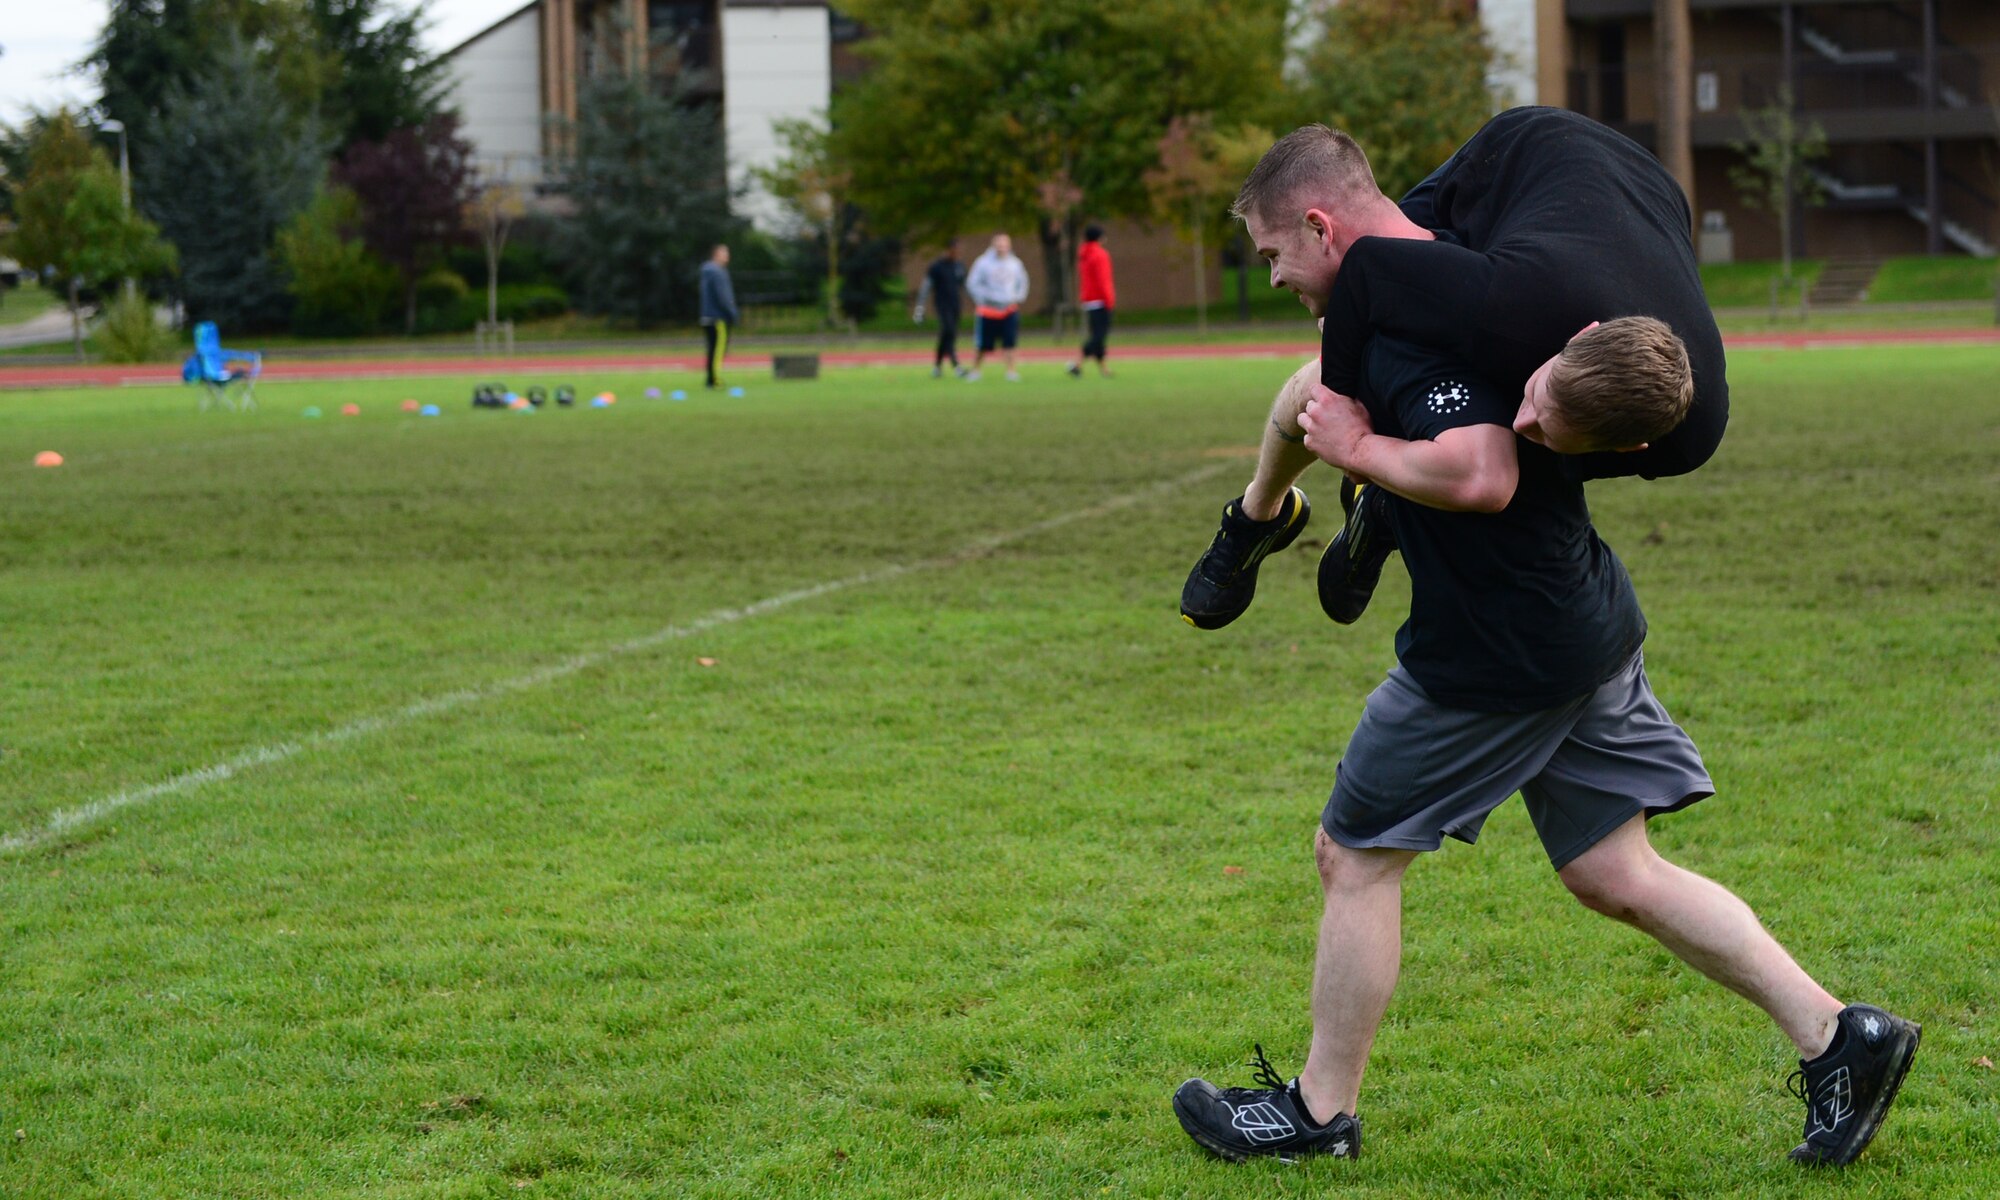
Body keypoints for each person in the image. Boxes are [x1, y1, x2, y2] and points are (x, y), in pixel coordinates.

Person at [1168, 125, 1919, 1170]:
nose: (1274, 277)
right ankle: (1842, 1037)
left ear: (1317, 225)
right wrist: (1281, 498)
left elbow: (1477, 468)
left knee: (1353, 857)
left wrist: (1354, 453)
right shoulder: (1454, 297)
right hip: (1579, 620)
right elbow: (1315, 390)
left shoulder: (1425, 327)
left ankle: (1315, 1113)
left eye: (1269, 256)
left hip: (1494, 648)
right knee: (1614, 871)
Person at [1181, 106, 1729, 632]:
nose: (1523, 423)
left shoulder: (1691, 440)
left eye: (1273, 256)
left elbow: (1491, 474)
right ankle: (1259, 515)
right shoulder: (1510, 300)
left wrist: (1366, 454)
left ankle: (1387, 507)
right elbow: (1369, 265)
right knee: (1359, 334)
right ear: (1571, 343)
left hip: (1633, 211)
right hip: (1526, 153)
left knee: (1495, 454)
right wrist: (1345, 400)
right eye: (1534, 398)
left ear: (1630, 449)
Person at [964, 232, 1029, 381]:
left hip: (1008, 308)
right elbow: (972, 283)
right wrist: (982, 298)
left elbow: (1023, 281)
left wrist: (1018, 297)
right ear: (993, 245)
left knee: (1010, 342)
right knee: (982, 344)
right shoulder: (983, 262)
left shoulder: (1015, 263)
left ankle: (1011, 371)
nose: (1002, 248)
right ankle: (975, 371)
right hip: (988, 310)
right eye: (999, 244)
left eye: (1005, 244)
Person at [913, 242, 969, 379]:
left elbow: (966, 286)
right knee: (948, 332)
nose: (957, 254)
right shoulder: (937, 267)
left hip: (955, 305)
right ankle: (956, 366)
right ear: (948, 250)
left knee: (948, 336)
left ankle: (937, 367)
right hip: (942, 306)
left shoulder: (959, 266)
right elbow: (926, 288)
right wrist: (920, 308)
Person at [1067, 225, 1116, 378]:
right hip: (1100, 300)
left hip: (1089, 299)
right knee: (1099, 336)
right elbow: (1103, 280)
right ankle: (1076, 363)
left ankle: (1104, 369)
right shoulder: (1100, 255)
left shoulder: (1084, 254)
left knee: (1098, 336)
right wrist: (1109, 299)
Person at [699, 244, 738, 390]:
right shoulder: (717, 272)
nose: (727, 256)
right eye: (724, 253)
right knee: (718, 350)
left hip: (708, 316)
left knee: (713, 349)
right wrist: (732, 312)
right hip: (718, 318)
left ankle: (712, 378)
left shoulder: (708, 271)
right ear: (715, 254)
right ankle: (714, 380)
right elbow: (723, 296)